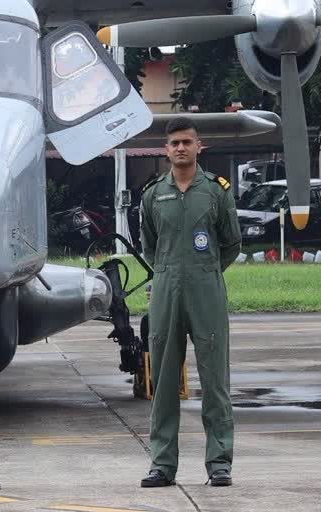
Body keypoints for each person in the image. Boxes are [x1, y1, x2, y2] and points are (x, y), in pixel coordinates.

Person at [139, 118, 241, 488]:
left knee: (215, 380)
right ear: (165, 151)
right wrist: (167, 270)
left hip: (206, 291)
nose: (180, 148)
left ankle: (219, 463)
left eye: (186, 142)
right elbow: (148, 244)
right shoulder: (152, 194)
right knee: (164, 380)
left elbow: (232, 243)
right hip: (166, 289)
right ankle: (162, 464)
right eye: (174, 143)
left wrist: (207, 271)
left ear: (199, 147)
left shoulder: (216, 191)